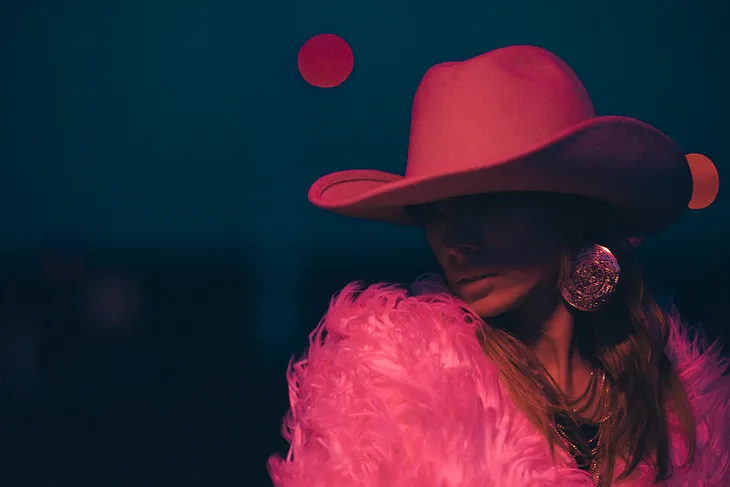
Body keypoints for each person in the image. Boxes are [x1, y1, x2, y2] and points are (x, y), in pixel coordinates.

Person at [267, 45, 728, 486]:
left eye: (487, 202)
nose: (455, 241)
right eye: (436, 211)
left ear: (569, 206)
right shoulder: (391, 395)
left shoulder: (676, 399)